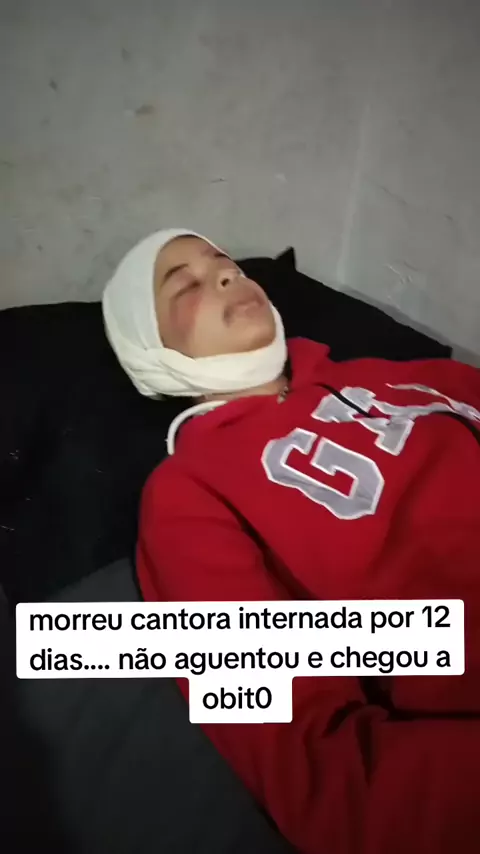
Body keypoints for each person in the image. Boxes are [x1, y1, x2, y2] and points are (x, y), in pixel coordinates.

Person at [103, 228, 480, 854]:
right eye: (185, 286)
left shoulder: (399, 375)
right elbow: (316, 768)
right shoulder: (185, 494)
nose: (226, 274)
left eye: (223, 263)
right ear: (149, 348)